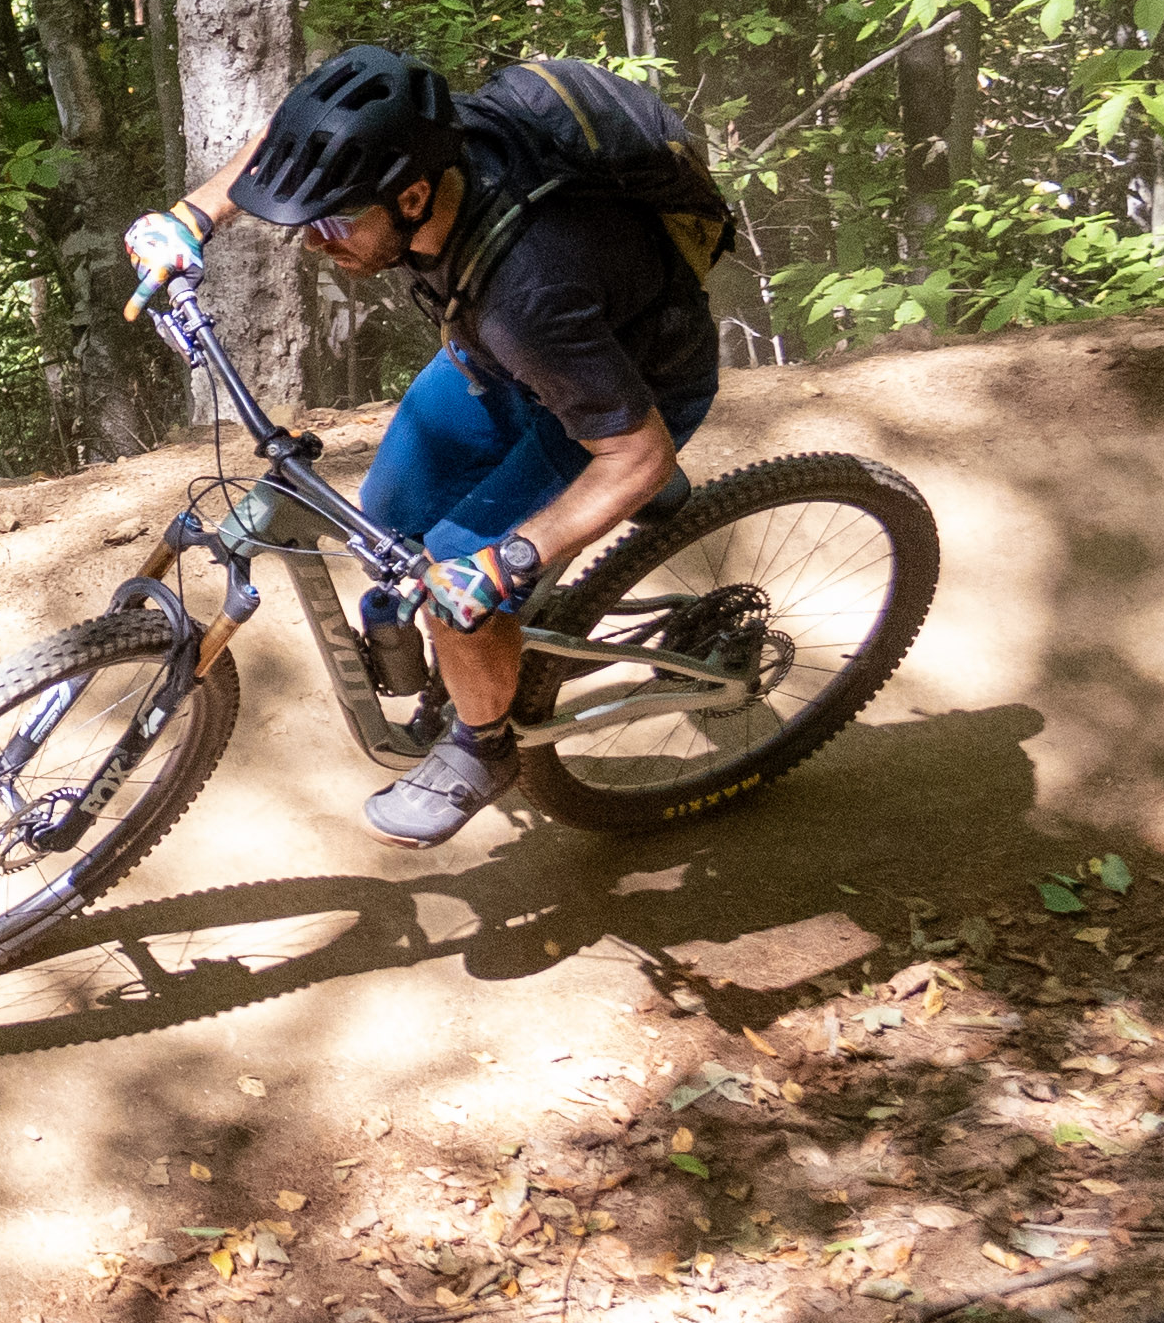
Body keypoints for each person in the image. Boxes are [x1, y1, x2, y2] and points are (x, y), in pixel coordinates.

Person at [122, 45, 731, 846]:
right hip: (511, 356)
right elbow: (294, 136)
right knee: (387, 511)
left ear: (410, 197)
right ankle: (490, 635)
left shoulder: (530, 293)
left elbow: (637, 451)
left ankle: (482, 749)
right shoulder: (439, 136)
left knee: (453, 569)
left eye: (332, 222)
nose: (313, 244)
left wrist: (506, 563)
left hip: (629, 388)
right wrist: (193, 215)